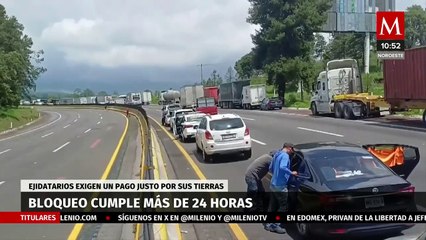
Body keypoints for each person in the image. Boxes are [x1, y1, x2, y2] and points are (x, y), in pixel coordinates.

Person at [265, 143, 298, 234]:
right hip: (280, 185)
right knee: (283, 206)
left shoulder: (277, 154)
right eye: (292, 149)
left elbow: (271, 168)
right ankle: (276, 225)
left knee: (273, 205)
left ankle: (268, 224)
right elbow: (283, 167)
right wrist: (291, 173)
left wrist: (277, 174)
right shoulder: (285, 156)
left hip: (273, 183)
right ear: (289, 148)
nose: (292, 151)